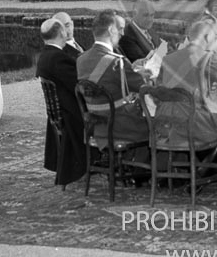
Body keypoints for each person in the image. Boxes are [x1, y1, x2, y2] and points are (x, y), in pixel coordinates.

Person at [159, 19, 217, 180]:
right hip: (197, 126)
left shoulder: (168, 58)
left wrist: (203, 88)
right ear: (206, 38)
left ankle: (206, 167)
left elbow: (159, 91)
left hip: (169, 124)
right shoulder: (209, 59)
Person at [75, 10, 149, 145]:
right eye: (119, 29)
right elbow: (143, 87)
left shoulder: (81, 60)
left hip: (98, 127)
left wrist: (132, 69)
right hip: (121, 127)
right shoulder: (117, 62)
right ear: (110, 30)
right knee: (161, 126)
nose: (122, 33)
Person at [36, 17, 86, 185]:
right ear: (61, 33)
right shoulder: (58, 58)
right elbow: (80, 84)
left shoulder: (45, 56)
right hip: (73, 114)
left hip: (59, 113)